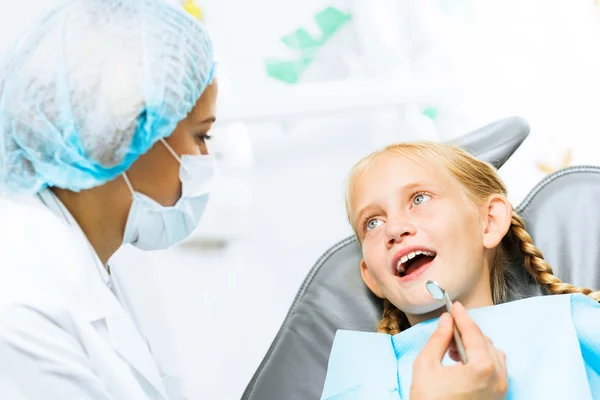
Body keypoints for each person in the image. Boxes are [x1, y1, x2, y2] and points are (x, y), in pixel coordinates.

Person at [0, 0, 217, 398]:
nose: (205, 161)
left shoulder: (81, 261)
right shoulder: (22, 306)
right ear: (127, 132)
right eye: (201, 136)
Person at [320, 142, 600, 399]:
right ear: (371, 277)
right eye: (372, 223)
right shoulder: (357, 371)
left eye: (419, 199)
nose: (393, 229)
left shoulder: (569, 322)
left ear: (488, 222)